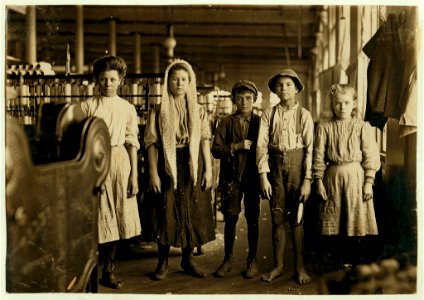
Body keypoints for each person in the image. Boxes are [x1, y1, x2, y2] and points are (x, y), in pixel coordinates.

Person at [144, 59, 215, 280]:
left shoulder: (198, 110)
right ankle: (162, 262)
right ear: (168, 82)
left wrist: (208, 170)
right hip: (168, 162)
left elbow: (204, 140)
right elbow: (151, 144)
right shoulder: (159, 110)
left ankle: (188, 259)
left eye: (184, 79)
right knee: (166, 210)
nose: (180, 83)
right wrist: (154, 172)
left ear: (190, 82)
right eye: (175, 79)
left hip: (192, 162)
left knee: (191, 210)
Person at [80, 55, 141, 289]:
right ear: (96, 80)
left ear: (121, 81)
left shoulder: (127, 108)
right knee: (96, 214)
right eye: (103, 79)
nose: (108, 84)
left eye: (113, 79)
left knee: (116, 214)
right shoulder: (87, 106)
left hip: (119, 162)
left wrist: (134, 174)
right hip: (93, 160)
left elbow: (131, 142)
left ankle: (109, 269)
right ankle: (89, 270)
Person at [313, 84, 381, 269]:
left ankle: (355, 262)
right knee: (335, 218)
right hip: (332, 178)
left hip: (356, 178)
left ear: (354, 104)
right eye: (338, 103)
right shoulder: (324, 128)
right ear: (332, 104)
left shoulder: (362, 127)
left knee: (355, 217)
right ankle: (337, 262)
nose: (342, 107)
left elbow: (371, 156)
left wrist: (369, 182)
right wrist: (318, 182)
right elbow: (318, 156)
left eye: (346, 103)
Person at [257, 69, 313, 284]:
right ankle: (278, 266)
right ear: (275, 90)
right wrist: (263, 176)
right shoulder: (268, 114)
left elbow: (310, 149)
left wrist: (307, 180)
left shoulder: (304, 115)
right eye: (280, 85)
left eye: (288, 84)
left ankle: (299, 267)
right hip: (275, 167)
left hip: (298, 167)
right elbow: (261, 147)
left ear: (296, 88)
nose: (284, 88)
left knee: (297, 219)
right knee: (277, 217)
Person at [212, 80, 261, 278]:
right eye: (239, 98)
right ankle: (228, 259)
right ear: (233, 100)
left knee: (253, 219)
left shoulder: (260, 122)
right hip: (231, 178)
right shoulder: (226, 122)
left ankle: (252, 261)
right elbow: (215, 150)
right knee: (231, 218)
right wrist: (236, 146)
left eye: (248, 98)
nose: (244, 102)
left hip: (253, 178)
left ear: (255, 100)